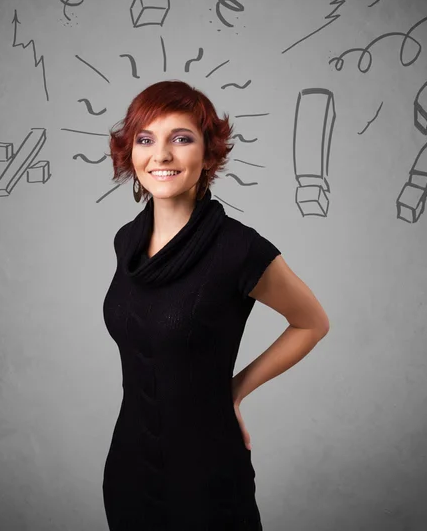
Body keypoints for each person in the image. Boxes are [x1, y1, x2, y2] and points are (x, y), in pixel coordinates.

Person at [103, 80, 330, 530]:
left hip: (206, 474)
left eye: (181, 139)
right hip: (128, 468)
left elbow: (311, 323)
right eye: (146, 140)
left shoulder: (239, 249)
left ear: (208, 155)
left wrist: (235, 389)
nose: (161, 155)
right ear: (130, 153)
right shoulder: (126, 241)